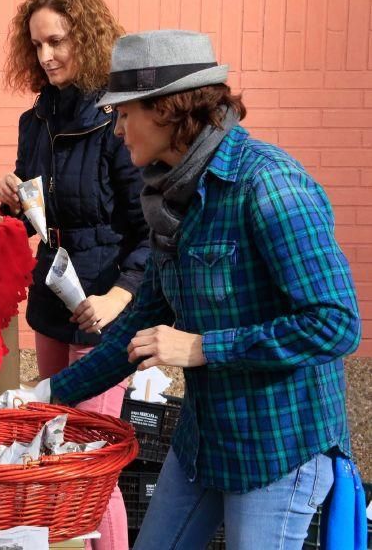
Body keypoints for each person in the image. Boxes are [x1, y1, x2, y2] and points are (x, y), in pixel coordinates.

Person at [47, 29, 361, 549]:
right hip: (204, 442)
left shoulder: (269, 185)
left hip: (278, 449)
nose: (118, 129)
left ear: (169, 109)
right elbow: (137, 324)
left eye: (125, 114)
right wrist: (48, 394)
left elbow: (336, 324)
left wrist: (202, 347)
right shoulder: (170, 194)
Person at [0, 0, 149, 549]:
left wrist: (121, 296)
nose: (46, 56)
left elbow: (149, 230)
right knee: (53, 447)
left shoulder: (118, 120)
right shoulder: (33, 121)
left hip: (102, 304)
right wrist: (11, 198)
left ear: (85, 38)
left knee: (88, 463)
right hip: (51, 296)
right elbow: (32, 218)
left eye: (57, 41)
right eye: (36, 45)